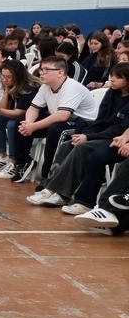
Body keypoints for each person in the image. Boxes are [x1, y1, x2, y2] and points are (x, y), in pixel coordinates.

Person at [27, 64, 129, 211]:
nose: (112, 79)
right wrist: (85, 134)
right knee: (68, 144)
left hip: (117, 138)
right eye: (112, 75)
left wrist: (88, 137)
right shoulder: (111, 93)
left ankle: (62, 193)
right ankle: (51, 187)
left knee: (84, 148)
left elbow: (119, 129)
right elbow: (100, 121)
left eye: (118, 77)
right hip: (103, 134)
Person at [16, 56, 100, 186]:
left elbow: (62, 116)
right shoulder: (45, 87)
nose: (41, 73)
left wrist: (33, 126)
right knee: (21, 121)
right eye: (41, 69)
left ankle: (49, 177)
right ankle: (24, 162)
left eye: (46, 70)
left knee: (56, 130)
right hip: (63, 120)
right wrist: (29, 123)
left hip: (84, 124)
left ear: (60, 72)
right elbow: (33, 108)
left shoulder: (71, 87)